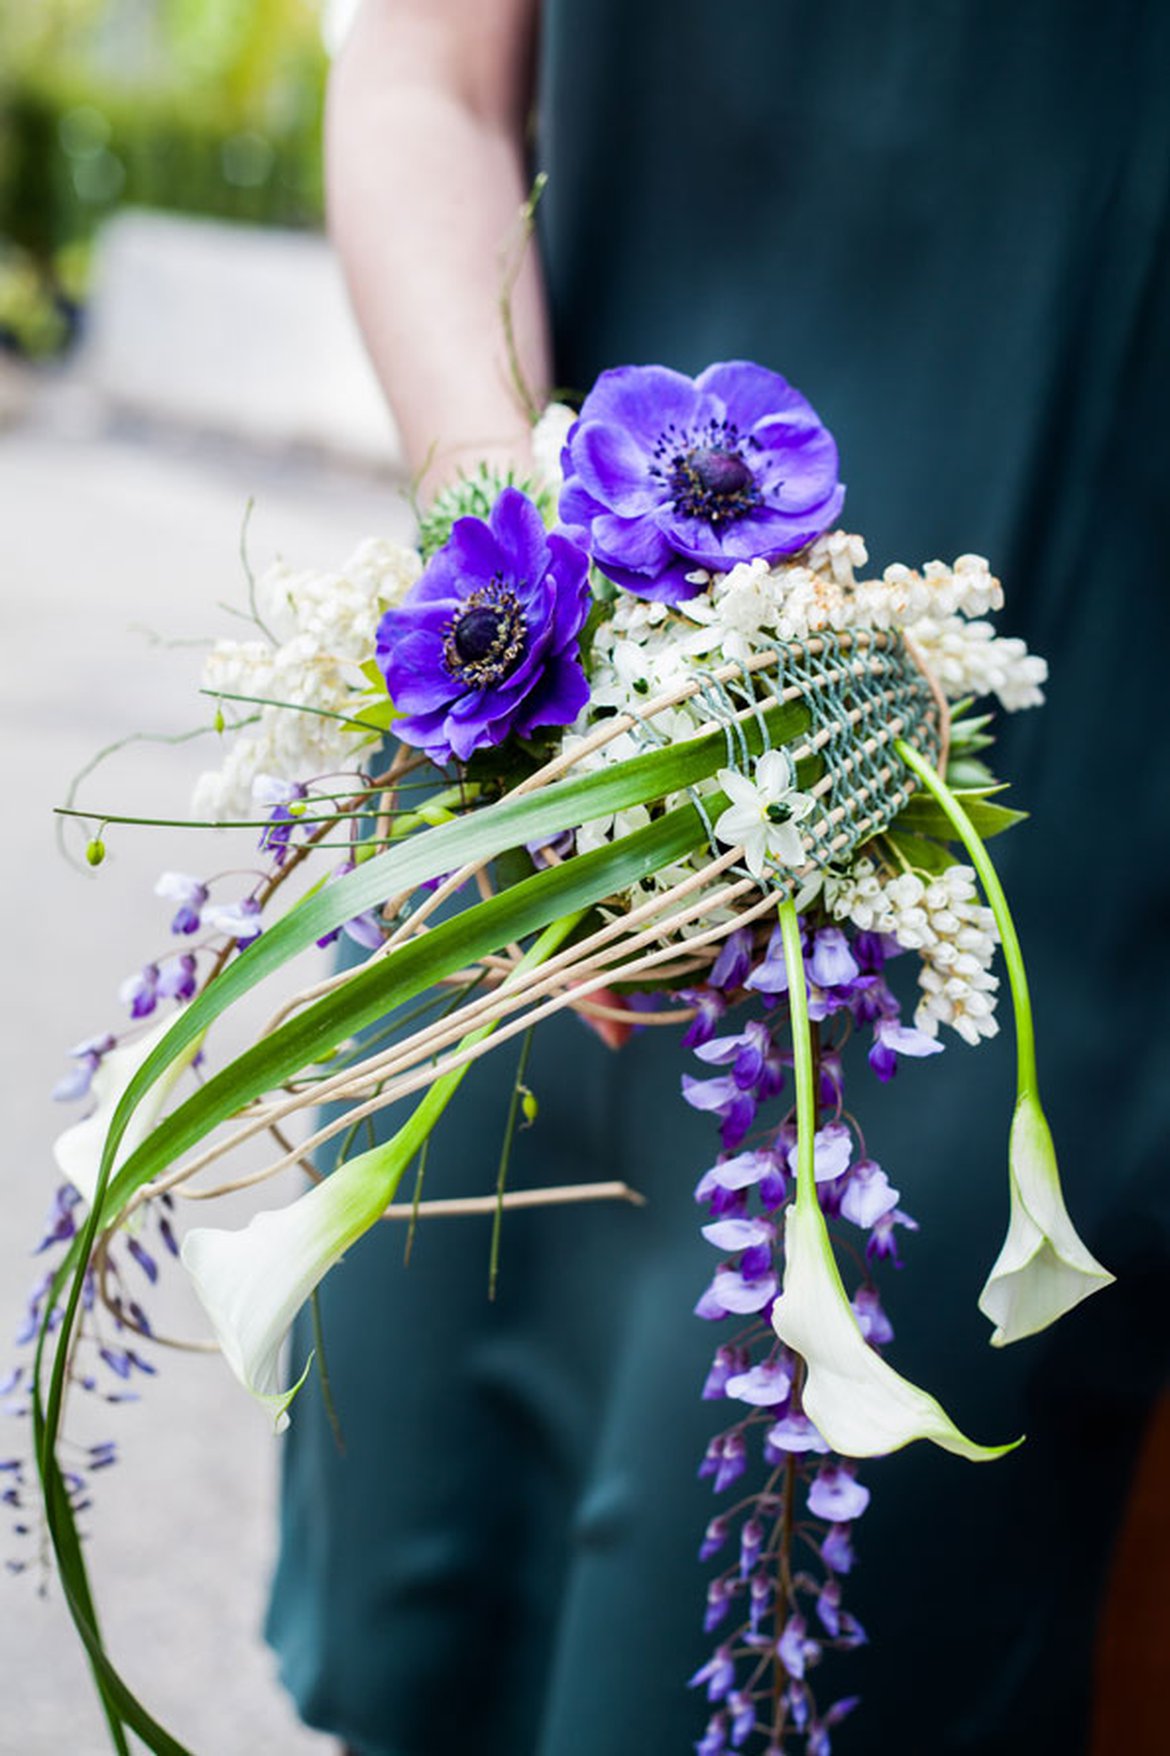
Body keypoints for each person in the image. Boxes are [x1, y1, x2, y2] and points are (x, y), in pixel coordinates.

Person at [266, 3, 1170, 1752]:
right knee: (420, 1641)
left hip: (1041, 871)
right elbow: (427, 75)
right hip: (563, 743)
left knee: (841, 1669)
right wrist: (530, 597)